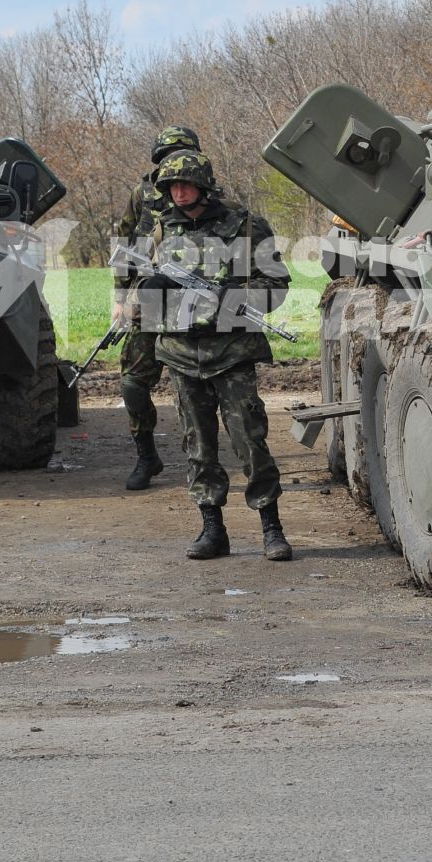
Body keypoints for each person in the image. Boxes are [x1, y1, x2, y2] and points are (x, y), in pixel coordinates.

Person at [130, 149, 294, 560]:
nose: (178, 192)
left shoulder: (245, 226)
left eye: (185, 184)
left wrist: (234, 298)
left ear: (203, 185)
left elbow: (276, 284)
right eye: (171, 186)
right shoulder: (156, 232)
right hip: (182, 355)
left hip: (232, 353)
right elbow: (133, 294)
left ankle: (271, 528)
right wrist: (146, 293)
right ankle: (212, 529)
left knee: (250, 443)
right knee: (198, 447)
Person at [112, 125, 201, 491]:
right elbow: (125, 245)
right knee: (132, 383)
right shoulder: (142, 194)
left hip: (194, 304)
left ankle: (202, 460)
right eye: (167, 157)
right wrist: (119, 299)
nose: (174, 166)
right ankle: (146, 455)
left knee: (196, 389)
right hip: (147, 299)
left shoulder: (206, 194)